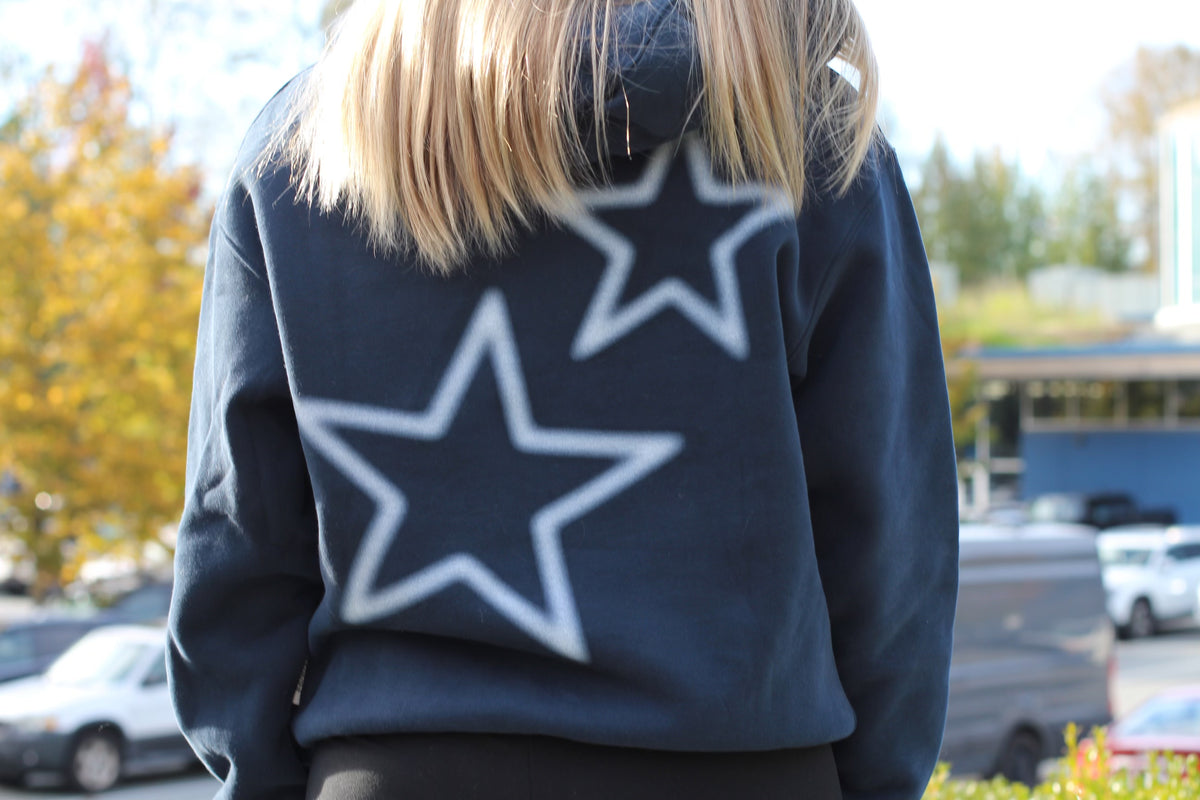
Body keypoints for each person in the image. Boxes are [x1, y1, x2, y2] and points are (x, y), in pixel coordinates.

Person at [167, 0, 959, 798]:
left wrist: (270, 779)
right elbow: (892, 539)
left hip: (401, 769)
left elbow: (235, 535)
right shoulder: (809, 146)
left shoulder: (302, 148)